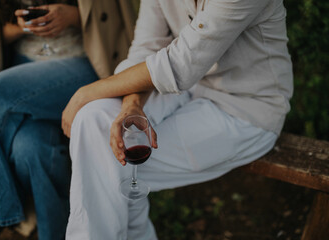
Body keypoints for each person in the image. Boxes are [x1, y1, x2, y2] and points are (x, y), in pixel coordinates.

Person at [61, 0, 293, 239]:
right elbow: (146, 48)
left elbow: (180, 64)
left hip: (245, 108)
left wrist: (86, 93)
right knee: (94, 118)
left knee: (107, 160)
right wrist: (132, 104)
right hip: (190, 89)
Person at [0, 0, 135, 239]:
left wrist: (72, 16)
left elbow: (110, 18)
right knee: (31, 149)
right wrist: (24, 26)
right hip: (24, 67)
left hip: (83, 63)